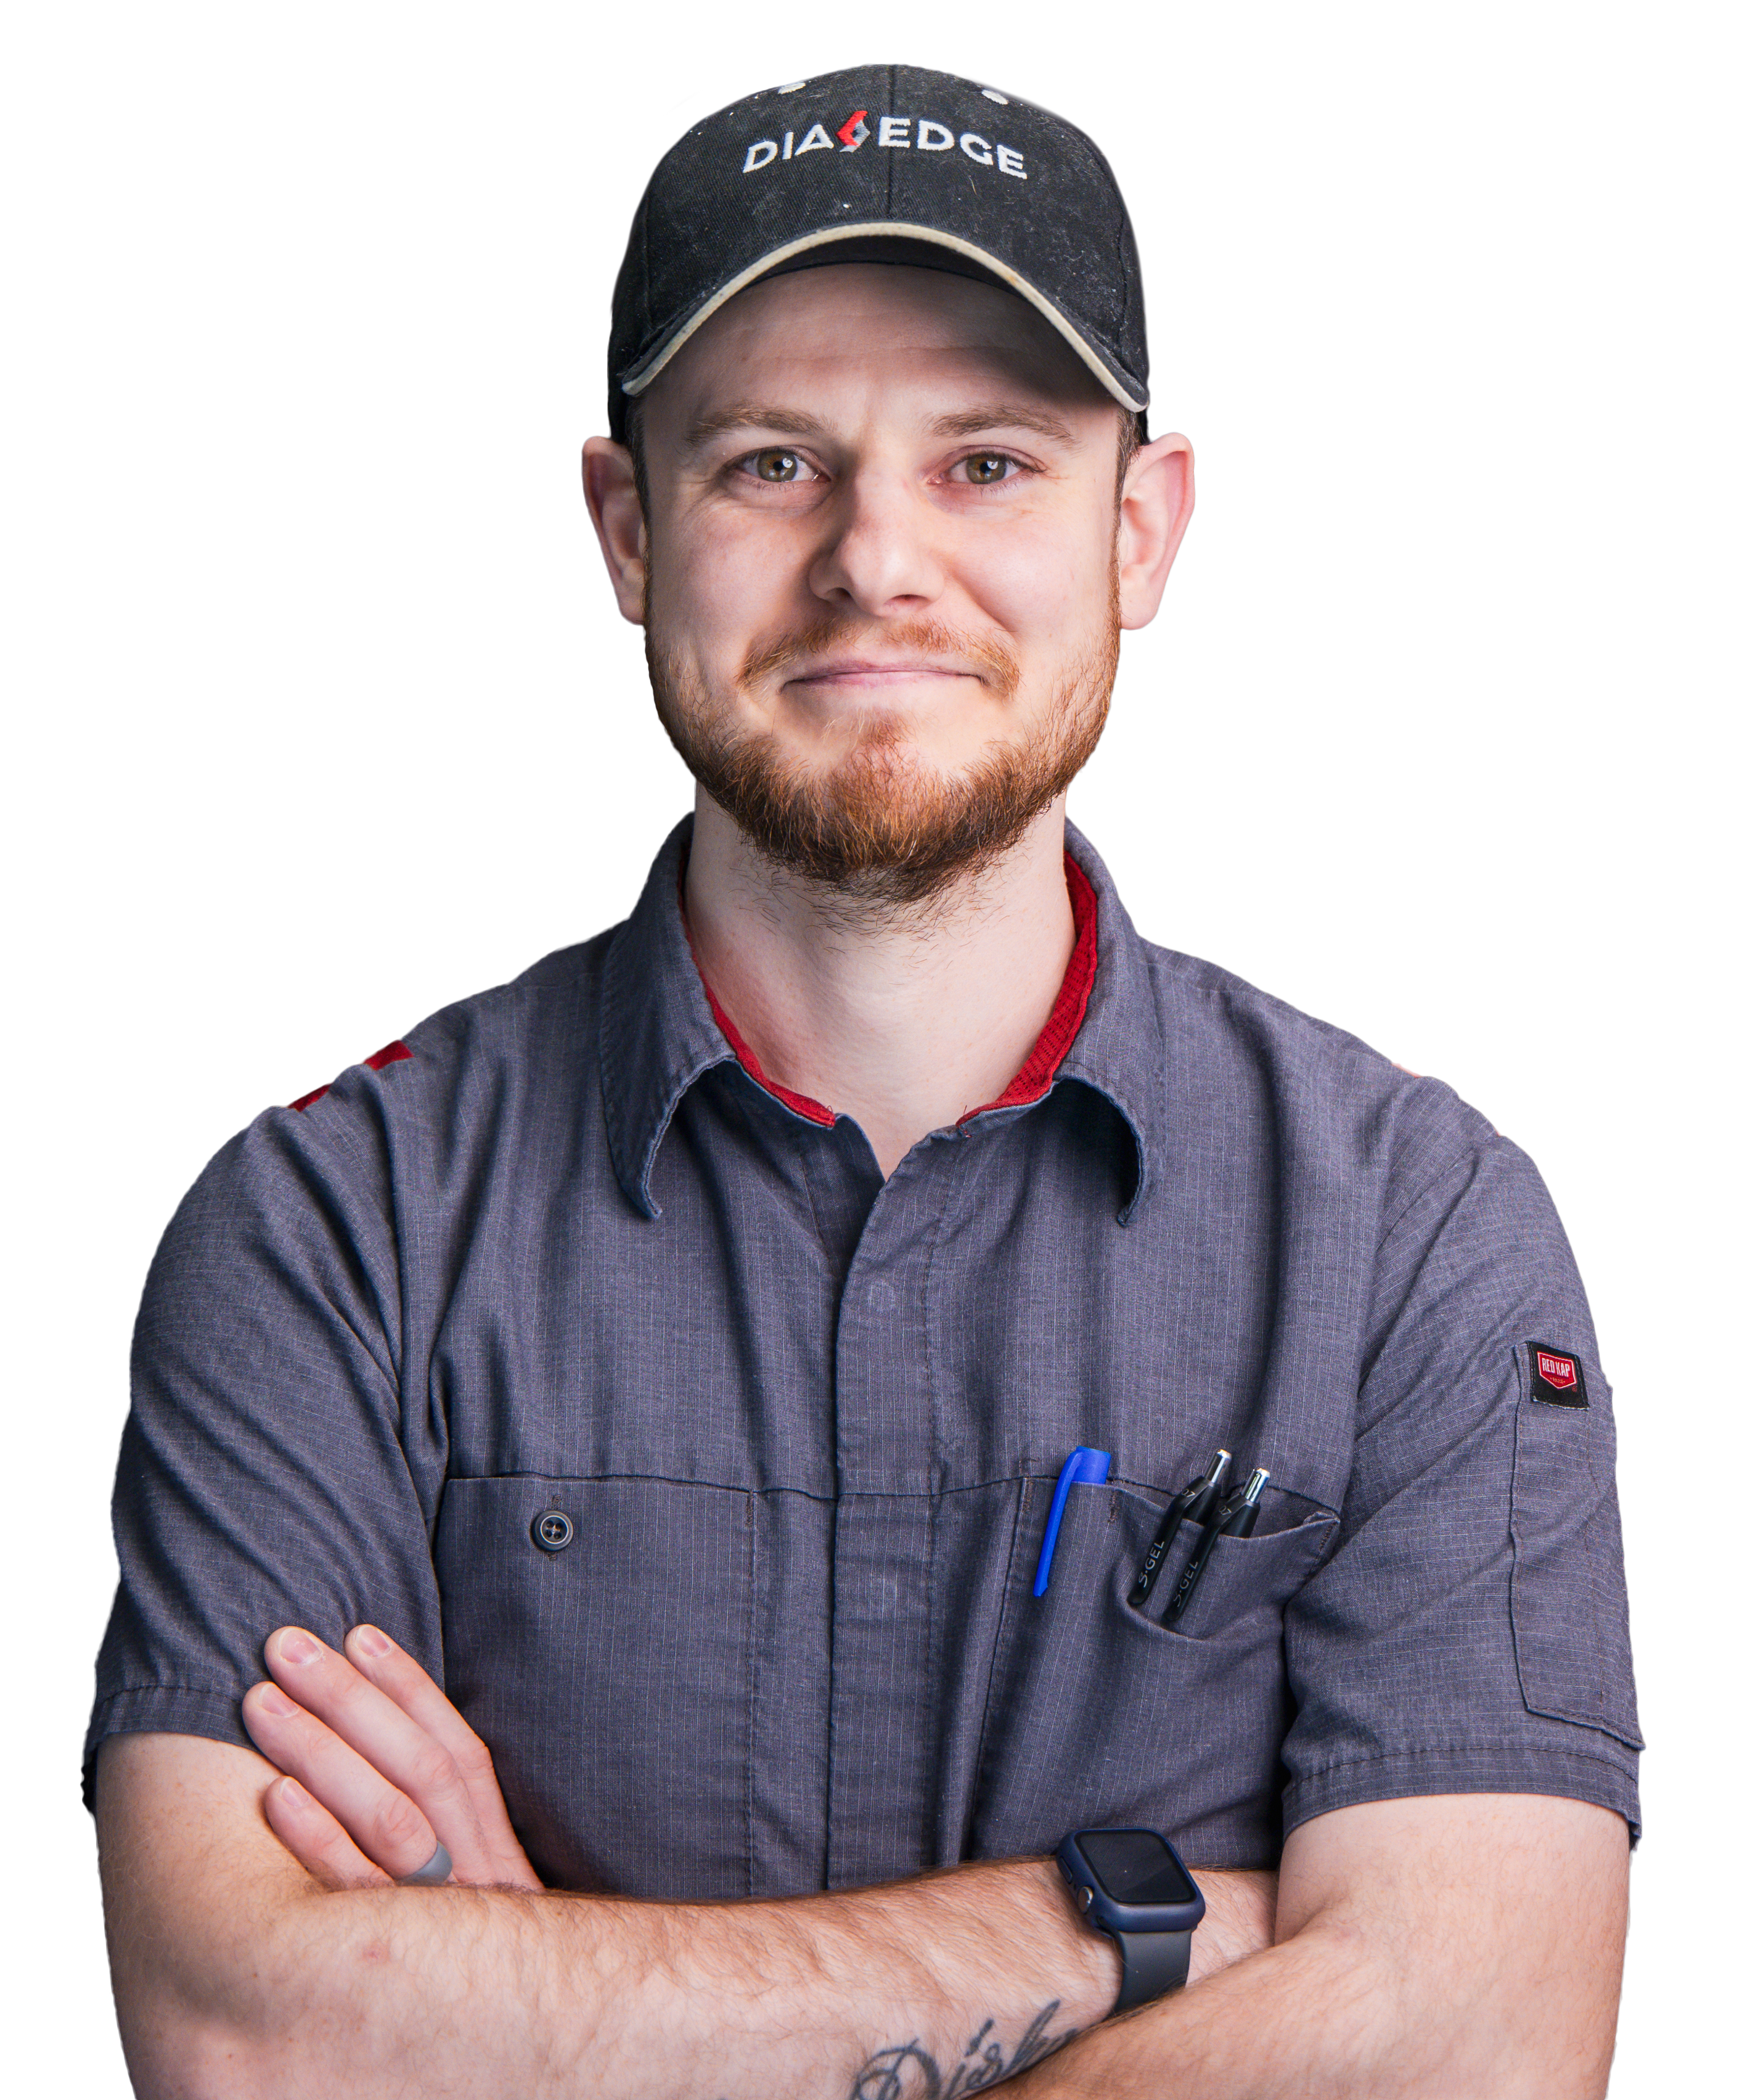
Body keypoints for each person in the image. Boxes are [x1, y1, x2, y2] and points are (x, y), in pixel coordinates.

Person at [90, 65, 1641, 2098]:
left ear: (1140, 530)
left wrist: (536, 2007)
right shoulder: (331, 1233)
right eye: (768, 465)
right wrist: (1120, 1925)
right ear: (629, 531)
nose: (873, 563)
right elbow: (250, 2039)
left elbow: (1474, 2048)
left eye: (989, 461)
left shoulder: (1413, 1233)